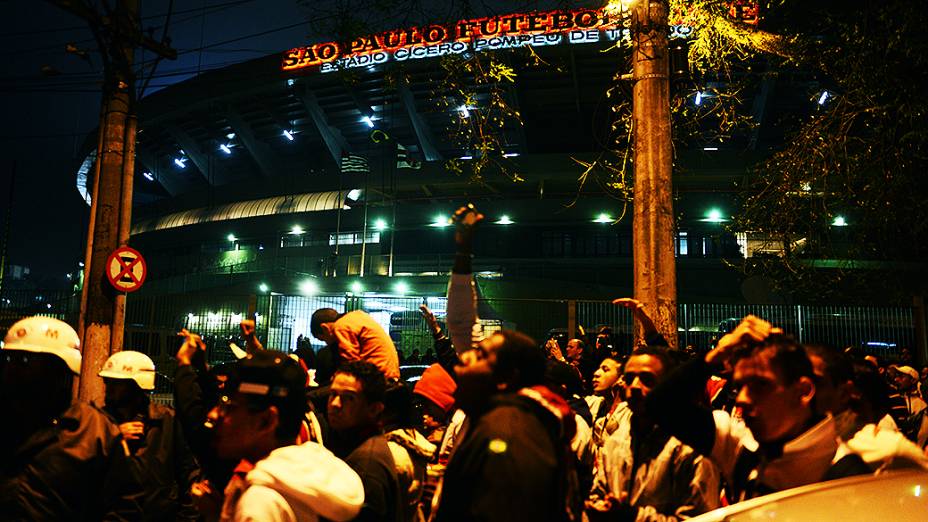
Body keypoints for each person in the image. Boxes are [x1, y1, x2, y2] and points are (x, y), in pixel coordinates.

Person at [433, 204, 580, 522]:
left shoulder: (512, 435)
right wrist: (463, 254)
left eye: (482, 355)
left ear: (506, 378)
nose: (467, 353)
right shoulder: (492, 413)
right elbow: (460, 322)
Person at [647, 315, 869, 502]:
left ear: (803, 391)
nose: (742, 398)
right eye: (739, 385)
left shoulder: (847, 476)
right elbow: (660, 404)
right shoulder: (741, 445)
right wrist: (715, 356)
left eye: (760, 385)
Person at [0, 316, 142, 520]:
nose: (12, 370)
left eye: (25, 361)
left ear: (58, 370)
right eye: (9, 359)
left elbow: (125, 508)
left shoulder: (94, 431)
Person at [204, 350, 364, 522]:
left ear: (266, 421)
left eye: (229, 407)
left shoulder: (261, 504)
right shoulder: (319, 476)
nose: (213, 415)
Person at [586, 346, 720, 522]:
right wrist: (598, 507)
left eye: (647, 379)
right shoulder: (616, 440)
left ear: (667, 386)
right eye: (629, 378)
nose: (634, 386)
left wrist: (634, 517)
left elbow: (702, 519)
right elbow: (599, 491)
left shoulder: (689, 447)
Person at [98, 350, 201, 520]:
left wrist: (187, 517)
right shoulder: (99, 421)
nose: (109, 389)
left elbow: (188, 472)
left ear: (137, 386)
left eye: (117, 383)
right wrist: (113, 437)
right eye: (107, 382)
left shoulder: (167, 420)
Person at [327, 361, 402, 522]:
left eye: (349, 398)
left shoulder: (367, 464)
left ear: (374, 409)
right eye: (333, 394)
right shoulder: (357, 443)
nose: (335, 404)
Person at [311, 308, 400, 380]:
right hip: (391, 375)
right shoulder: (358, 316)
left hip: (377, 380)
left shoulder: (341, 326)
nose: (327, 343)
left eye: (323, 339)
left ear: (325, 328)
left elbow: (351, 366)